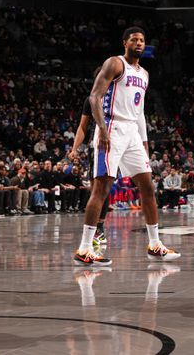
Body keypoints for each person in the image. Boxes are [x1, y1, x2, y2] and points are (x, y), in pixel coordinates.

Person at [73, 27, 179, 266]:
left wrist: (144, 144)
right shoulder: (114, 63)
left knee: (148, 187)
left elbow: (140, 113)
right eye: (134, 39)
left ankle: (154, 244)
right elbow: (94, 97)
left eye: (142, 40)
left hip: (132, 131)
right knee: (101, 188)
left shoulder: (145, 74)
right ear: (125, 42)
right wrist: (101, 128)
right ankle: (84, 248)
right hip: (111, 127)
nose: (139, 43)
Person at [69, 68, 112, 248]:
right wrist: (74, 148)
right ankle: (97, 229)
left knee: (106, 187)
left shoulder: (118, 98)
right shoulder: (91, 100)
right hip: (97, 146)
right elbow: (82, 127)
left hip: (118, 143)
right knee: (97, 188)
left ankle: (99, 227)